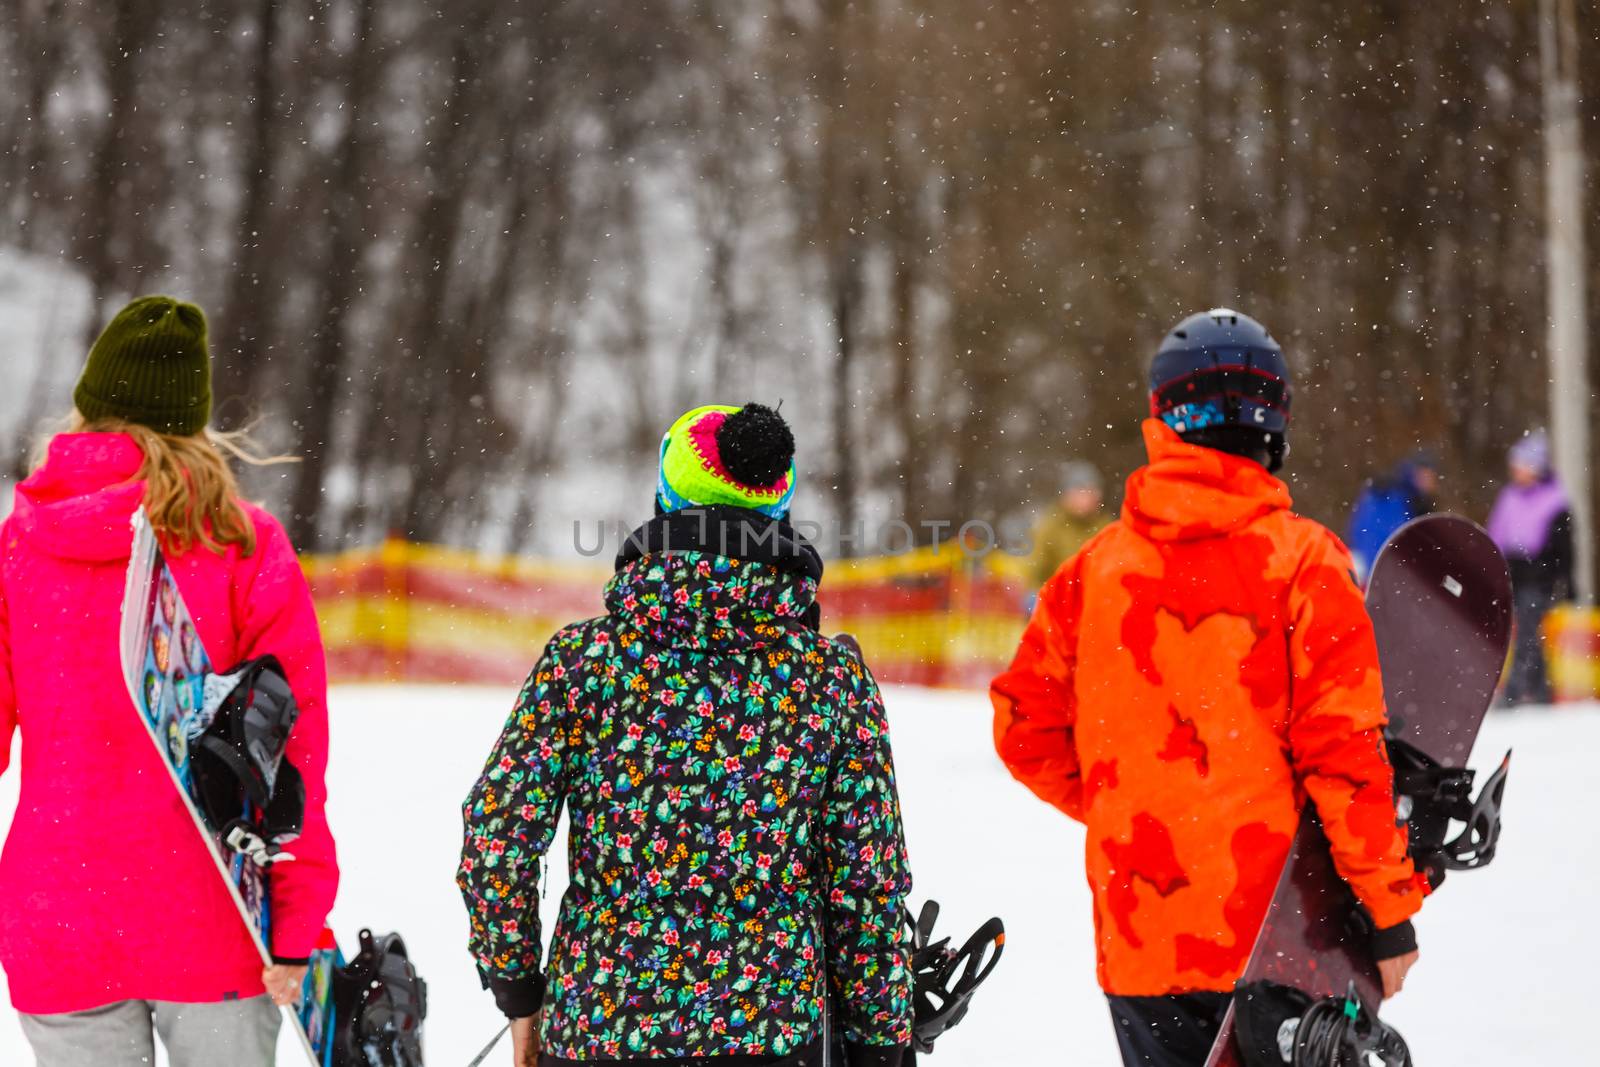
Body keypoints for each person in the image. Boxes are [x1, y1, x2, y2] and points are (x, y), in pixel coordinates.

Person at [991, 309, 1427, 1067]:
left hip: (1143, 939)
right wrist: (1389, 913)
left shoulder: (1093, 573)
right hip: (1279, 937)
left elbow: (1023, 725)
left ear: (1163, 420)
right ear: (1275, 420)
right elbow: (1343, 754)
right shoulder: (1304, 564)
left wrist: (1136, 803)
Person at [458, 402, 914, 1067]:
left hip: (597, 1030)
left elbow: (497, 838)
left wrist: (520, 993)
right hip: (771, 1037)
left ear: (664, 501)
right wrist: (882, 1043)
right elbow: (867, 880)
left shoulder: (580, 662)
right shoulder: (832, 680)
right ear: (776, 511)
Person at [0, 297, 339, 1065]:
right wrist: (297, 921)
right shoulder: (243, 545)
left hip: (59, 917)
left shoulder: (20, 545)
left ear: (90, 408)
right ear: (193, 419)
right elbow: (295, 748)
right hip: (211, 919)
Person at [1487, 429, 1573, 706]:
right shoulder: (1509, 497)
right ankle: (1541, 692)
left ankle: (1514, 692)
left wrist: (1566, 579)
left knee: (1527, 631)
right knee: (1530, 632)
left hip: (1540, 576)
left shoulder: (1555, 501)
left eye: (1521, 466)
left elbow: (1564, 546)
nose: (1517, 472)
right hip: (1514, 574)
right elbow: (1496, 535)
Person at [1346, 453, 1438, 581]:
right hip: (1376, 568)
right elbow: (1374, 532)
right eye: (1426, 474)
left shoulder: (1416, 502)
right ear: (1416, 472)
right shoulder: (1390, 494)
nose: (1429, 482)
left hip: (1385, 569)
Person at [1026, 460, 1109, 590]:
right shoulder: (1050, 526)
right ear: (1066, 495)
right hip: (1059, 597)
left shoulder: (1107, 527)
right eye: (1080, 491)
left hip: (1097, 597)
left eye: (1091, 491)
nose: (1086, 497)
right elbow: (1036, 572)